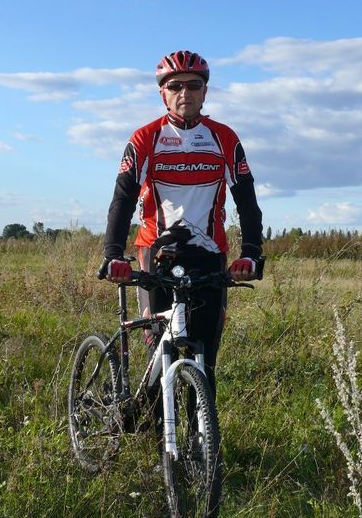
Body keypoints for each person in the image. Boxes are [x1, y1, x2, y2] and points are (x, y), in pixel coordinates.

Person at [99, 49, 263, 400]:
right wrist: (114, 253)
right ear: (163, 93)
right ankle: (160, 441)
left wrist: (251, 253)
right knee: (161, 352)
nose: (184, 92)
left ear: (205, 92)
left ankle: (202, 449)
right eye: (175, 86)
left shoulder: (225, 138)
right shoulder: (145, 138)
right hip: (156, 256)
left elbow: (247, 202)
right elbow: (123, 199)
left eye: (193, 85)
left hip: (208, 257)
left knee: (205, 360)